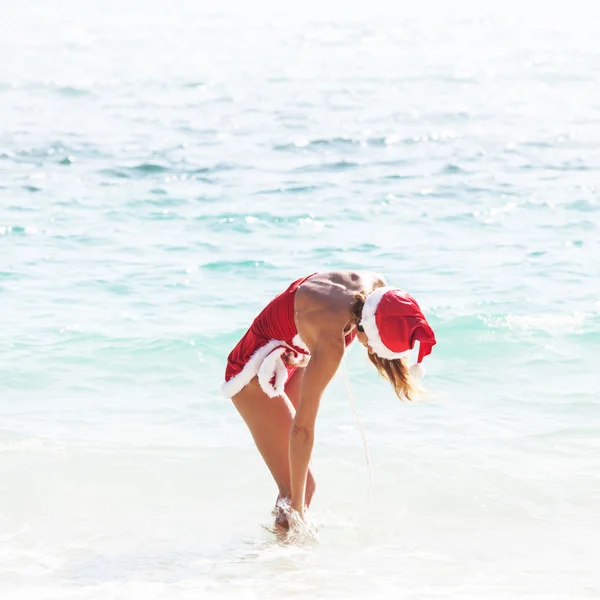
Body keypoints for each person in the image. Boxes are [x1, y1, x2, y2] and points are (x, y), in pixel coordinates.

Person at [221, 271, 436, 530]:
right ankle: (283, 555)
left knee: (293, 486)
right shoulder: (331, 341)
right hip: (253, 371)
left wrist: (302, 358)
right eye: (372, 346)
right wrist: (299, 510)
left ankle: (276, 554)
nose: (369, 349)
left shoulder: (373, 289)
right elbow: (302, 430)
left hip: (287, 355)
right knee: (301, 490)